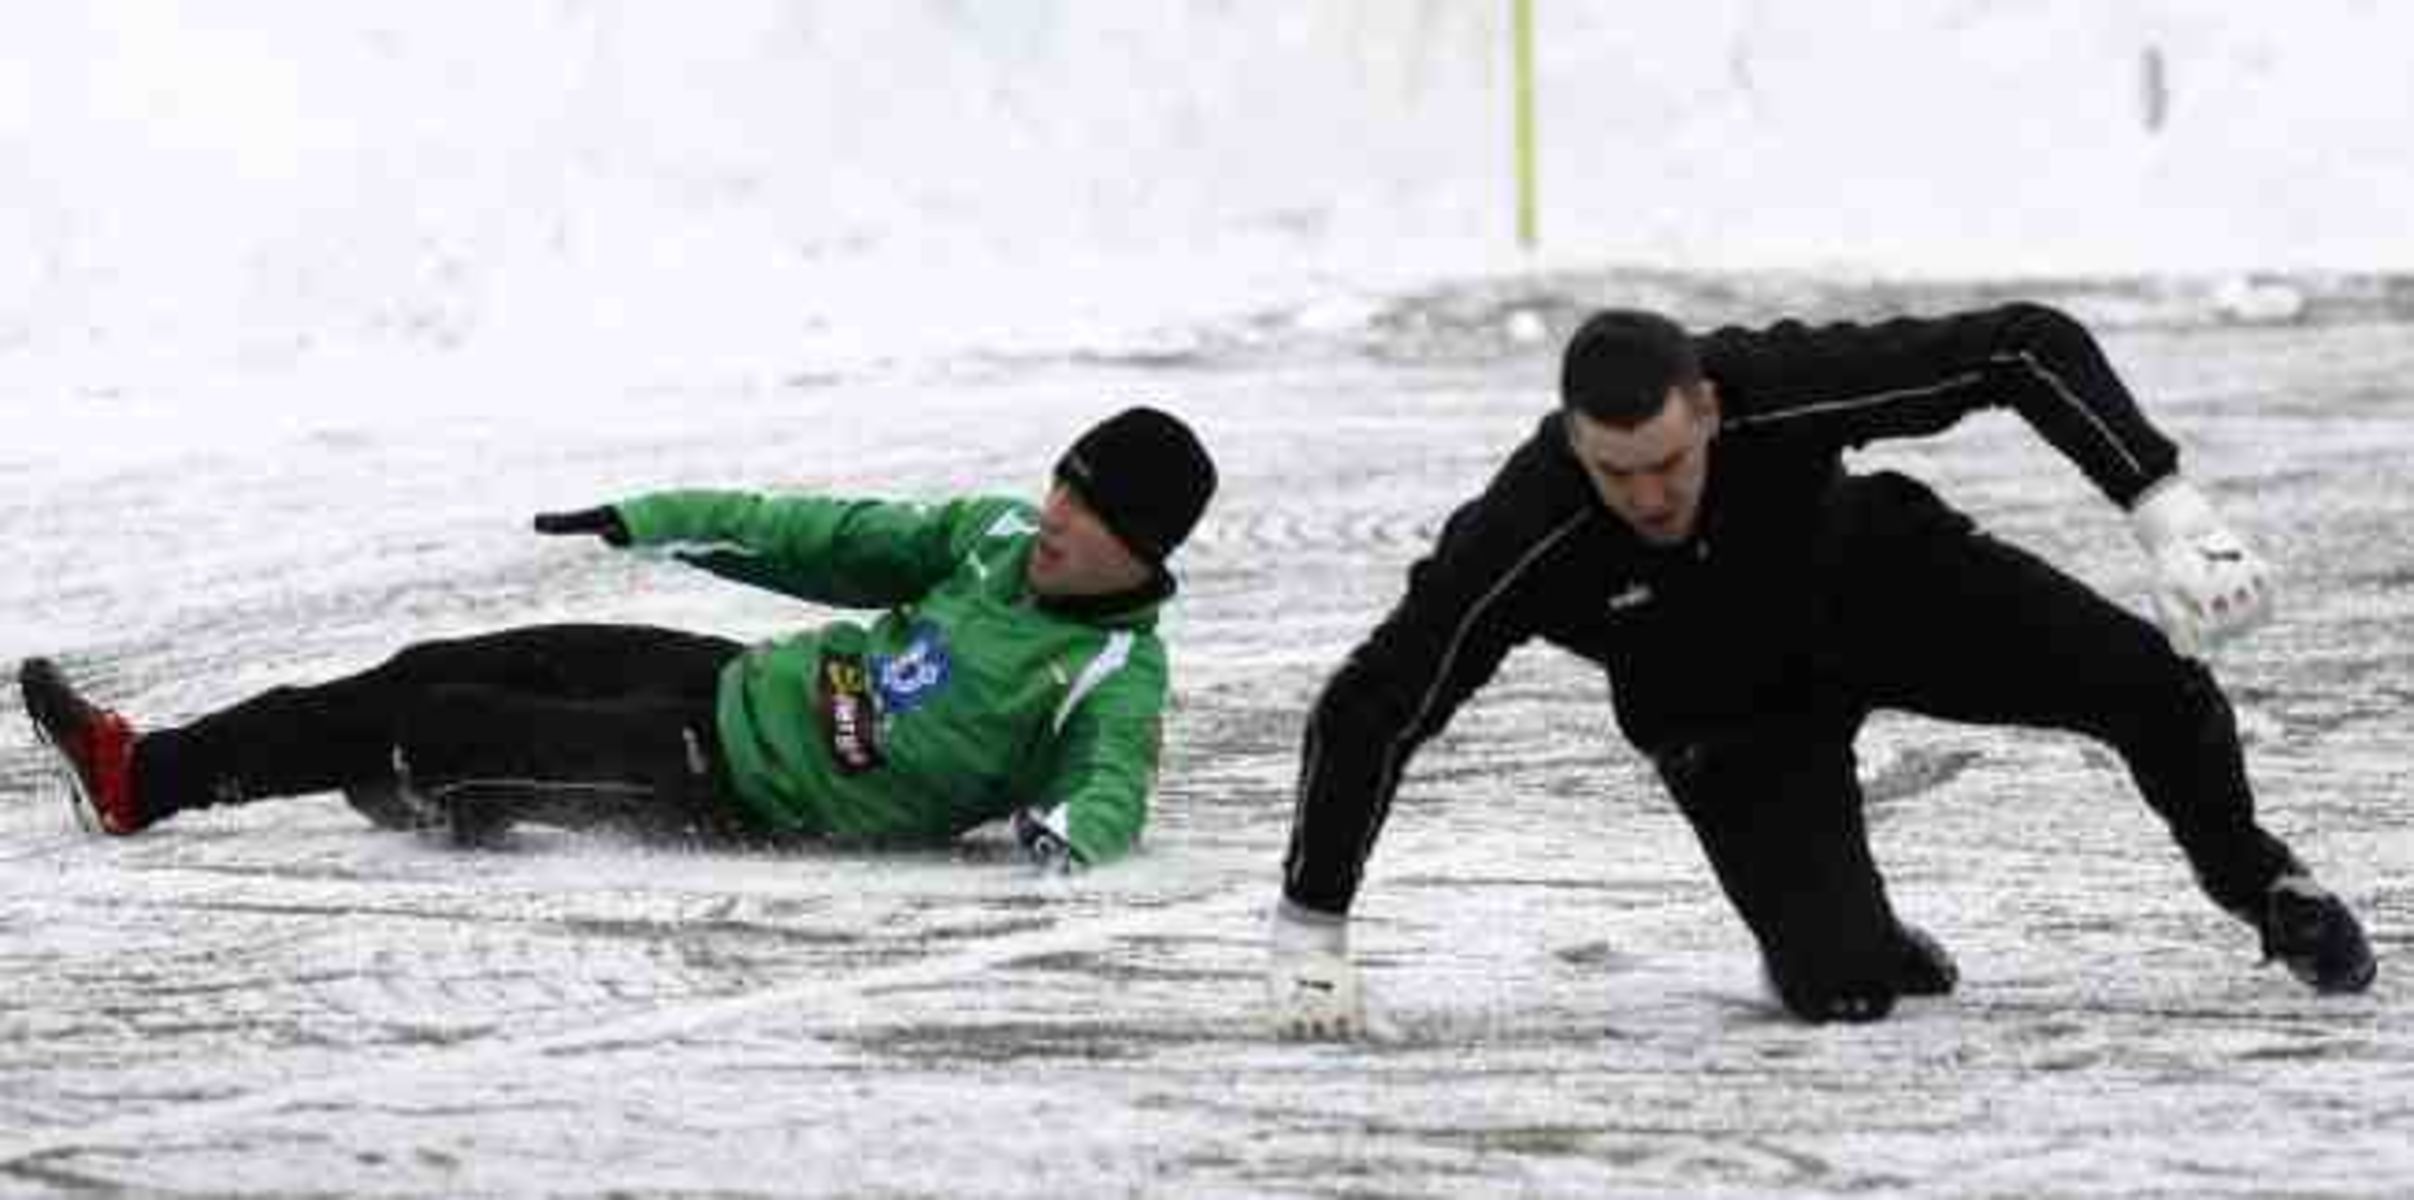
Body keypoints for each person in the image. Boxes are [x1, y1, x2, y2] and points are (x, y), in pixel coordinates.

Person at [1267, 305, 2376, 1032]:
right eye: (1615, 474)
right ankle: (1863, 937)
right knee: (1839, 989)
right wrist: (1312, 925)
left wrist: (2165, 508)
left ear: (1704, 406)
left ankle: (2261, 888)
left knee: (2152, 682)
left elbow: (2019, 348)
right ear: (1571, 441)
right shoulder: (1525, 528)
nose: (1647, 498)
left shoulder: (1770, 384)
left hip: (1883, 591)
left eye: (1666, 461)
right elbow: (1374, 704)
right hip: (1723, 712)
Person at [19, 406, 1217, 871]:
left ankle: (147, 782)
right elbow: (816, 537)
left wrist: (1070, 835)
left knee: (438, 729)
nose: (1057, 516)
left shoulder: (1111, 672)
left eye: (1090, 509)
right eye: (1061, 485)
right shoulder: (997, 537)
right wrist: (659, 522)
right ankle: (422, 789)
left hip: (747, 789)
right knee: (434, 670)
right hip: (730, 683)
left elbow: (1113, 781)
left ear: (1144, 547)